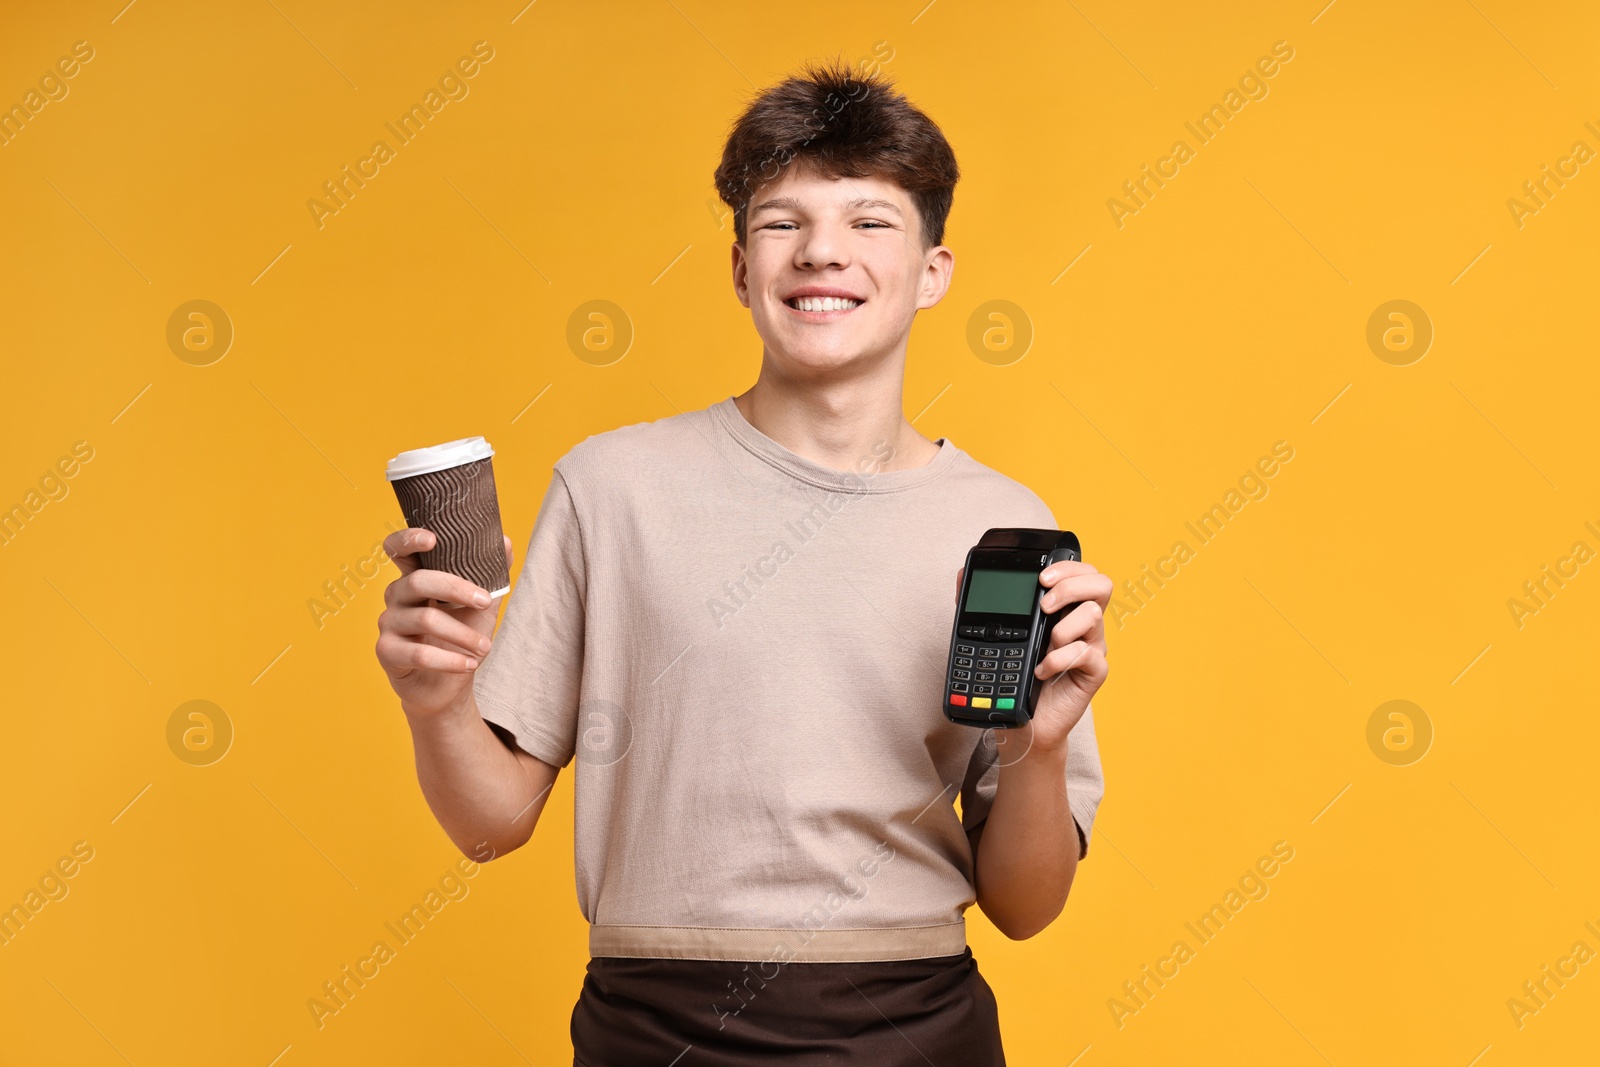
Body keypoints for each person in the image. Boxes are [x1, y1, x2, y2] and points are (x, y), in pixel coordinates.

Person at [376, 56, 1111, 1066]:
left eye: (868, 221)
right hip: (652, 1026)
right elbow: (490, 825)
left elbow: (1025, 906)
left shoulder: (1002, 527)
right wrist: (437, 699)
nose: (821, 253)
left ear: (932, 271)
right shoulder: (611, 487)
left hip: (913, 1026)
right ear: (738, 267)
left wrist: (1038, 741)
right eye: (782, 222)